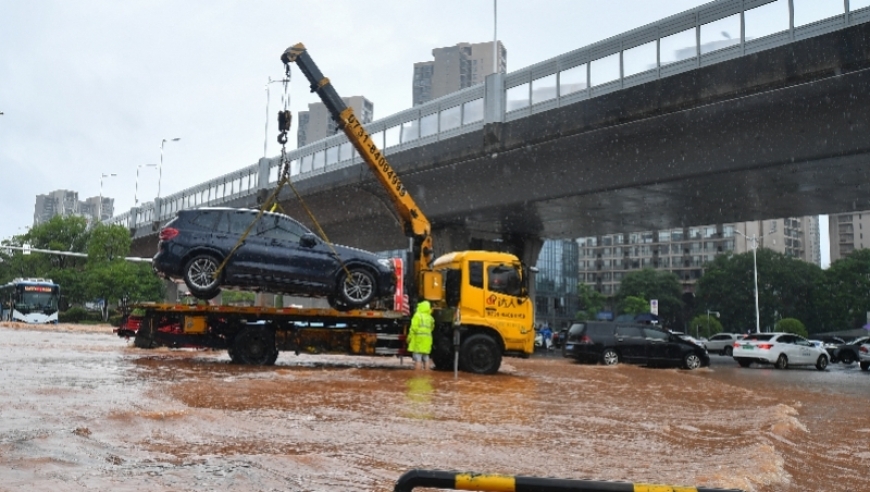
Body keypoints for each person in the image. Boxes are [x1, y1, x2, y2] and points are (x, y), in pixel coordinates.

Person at [407, 300, 434, 370]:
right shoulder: (430, 318)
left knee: (418, 358)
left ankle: (417, 375)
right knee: (426, 357)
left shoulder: (417, 316)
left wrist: (409, 338)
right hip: (427, 340)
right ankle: (426, 374)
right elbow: (432, 327)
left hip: (418, 339)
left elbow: (413, 328)